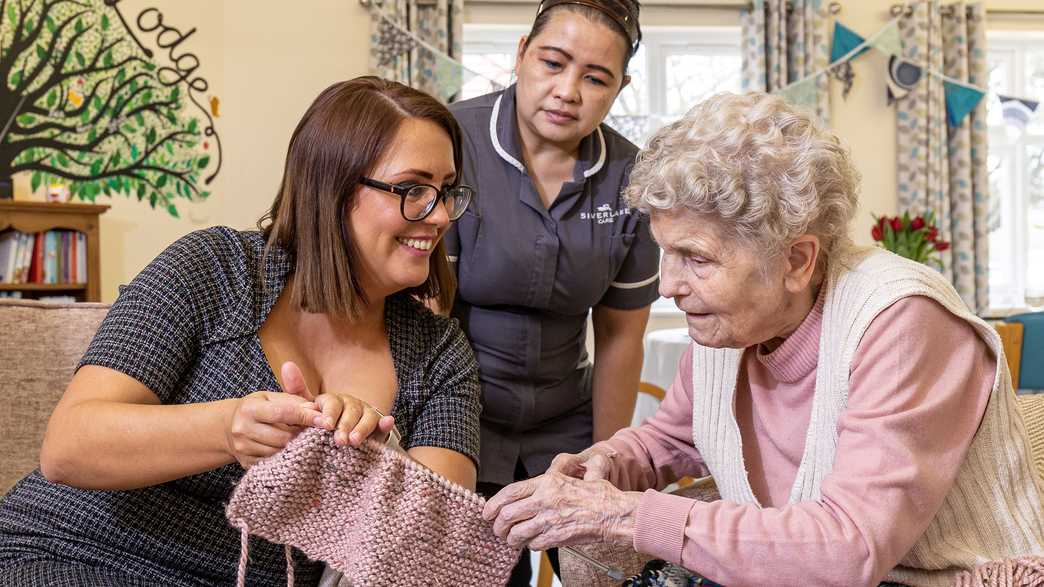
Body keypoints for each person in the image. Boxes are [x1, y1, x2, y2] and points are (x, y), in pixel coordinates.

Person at [482, 92, 1044, 587]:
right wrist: (603, 465)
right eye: (665, 253)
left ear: (796, 260)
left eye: (696, 258)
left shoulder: (902, 321)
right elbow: (673, 438)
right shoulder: (727, 328)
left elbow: (850, 551)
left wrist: (624, 516)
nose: (669, 287)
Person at [0, 77, 482, 587]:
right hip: (74, 553)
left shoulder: (440, 353)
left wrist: (382, 460)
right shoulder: (213, 270)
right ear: (333, 188)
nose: (441, 215)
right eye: (413, 190)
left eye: (447, 191)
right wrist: (230, 427)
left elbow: (442, 545)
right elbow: (69, 446)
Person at [445, 0, 659, 582]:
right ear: (520, 54)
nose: (568, 91)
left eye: (595, 78)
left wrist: (604, 463)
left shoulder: (631, 178)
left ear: (620, 87)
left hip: (567, 417)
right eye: (553, 63)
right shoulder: (450, 143)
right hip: (460, 415)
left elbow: (620, 338)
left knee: (607, 572)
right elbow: (423, 318)